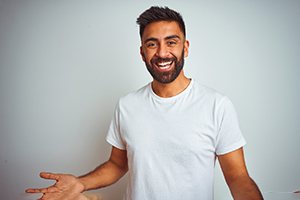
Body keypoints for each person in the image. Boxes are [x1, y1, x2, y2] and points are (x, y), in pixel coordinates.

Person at [26, 6, 264, 200]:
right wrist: (80, 183)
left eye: (171, 42)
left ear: (185, 47)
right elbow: (117, 165)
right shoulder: (127, 105)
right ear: (142, 53)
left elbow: (238, 178)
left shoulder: (216, 105)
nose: (162, 53)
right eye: (152, 44)